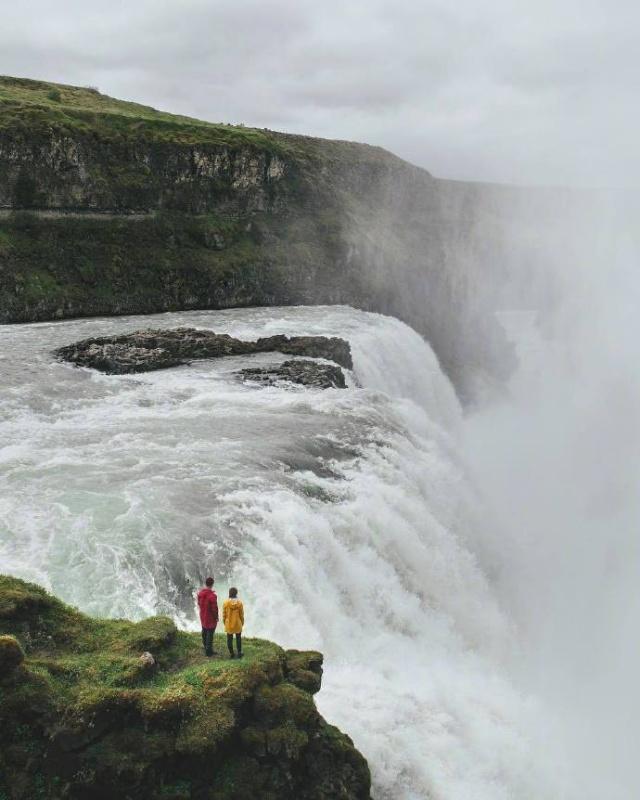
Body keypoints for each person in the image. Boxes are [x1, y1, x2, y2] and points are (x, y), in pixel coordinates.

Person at [197, 576, 218, 657]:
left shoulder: (200, 593)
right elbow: (214, 609)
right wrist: (216, 617)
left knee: (204, 631)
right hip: (210, 617)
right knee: (210, 634)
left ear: (206, 583)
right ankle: (208, 651)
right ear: (212, 584)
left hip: (203, 615)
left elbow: (199, 603)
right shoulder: (212, 596)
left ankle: (205, 646)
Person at [223, 587, 244, 659]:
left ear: (229, 593)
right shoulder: (239, 603)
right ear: (236, 593)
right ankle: (239, 652)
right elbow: (241, 615)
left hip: (229, 624)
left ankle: (231, 653)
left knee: (229, 639)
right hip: (237, 623)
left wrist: (225, 622)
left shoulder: (226, 603)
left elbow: (224, 615)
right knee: (238, 638)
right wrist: (242, 623)